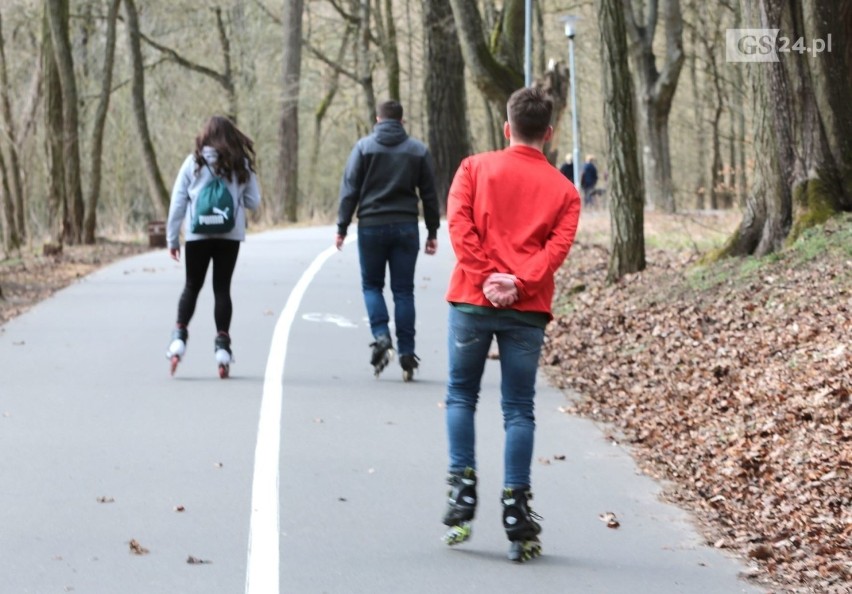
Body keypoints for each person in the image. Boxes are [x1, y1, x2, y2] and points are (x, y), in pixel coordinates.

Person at [440, 87, 581, 562]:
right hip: (527, 310)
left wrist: (485, 279)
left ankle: (462, 491)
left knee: (462, 395)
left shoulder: (473, 169)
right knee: (518, 409)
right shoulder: (565, 191)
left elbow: (459, 228)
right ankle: (516, 508)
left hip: (471, 304)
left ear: (507, 127)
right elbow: (555, 252)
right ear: (549, 132)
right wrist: (519, 284)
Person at [335, 100, 440, 381]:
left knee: (372, 286)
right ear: (402, 122)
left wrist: (342, 226)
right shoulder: (418, 150)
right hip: (406, 226)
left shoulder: (363, 148)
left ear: (377, 119)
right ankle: (407, 351)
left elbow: (349, 190)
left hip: (371, 226)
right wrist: (432, 231)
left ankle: (381, 335)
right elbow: (430, 194)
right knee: (404, 291)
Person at [164, 115, 261, 378]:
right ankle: (222, 351)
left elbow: (177, 204)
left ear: (205, 135)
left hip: (197, 236)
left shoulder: (193, 162)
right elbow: (254, 201)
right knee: (222, 289)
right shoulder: (240, 164)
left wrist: (173, 239)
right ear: (232, 136)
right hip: (229, 235)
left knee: (192, 286)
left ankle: (178, 341)